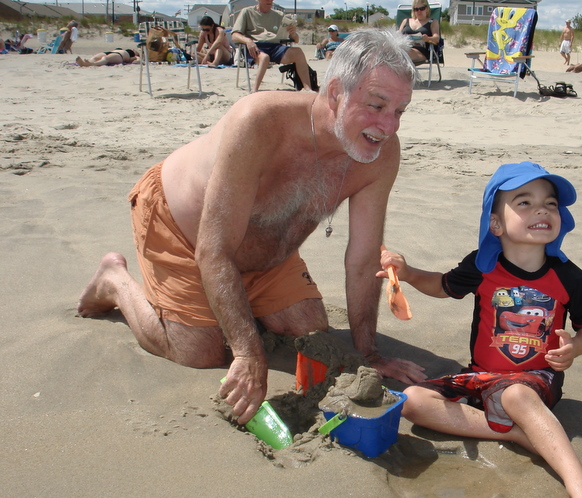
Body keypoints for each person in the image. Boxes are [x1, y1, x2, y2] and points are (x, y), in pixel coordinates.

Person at [77, 29, 426, 426]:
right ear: (335, 93)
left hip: (267, 249)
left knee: (310, 330)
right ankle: (114, 281)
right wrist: (247, 352)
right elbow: (213, 250)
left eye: (400, 111)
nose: (387, 126)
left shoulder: (380, 152)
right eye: (377, 105)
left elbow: (363, 261)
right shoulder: (259, 121)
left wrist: (369, 354)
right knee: (201, 351)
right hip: (183, 232)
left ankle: (236, 299)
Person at [378, 162, 582, 498]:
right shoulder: (482, 266)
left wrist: (574, 348)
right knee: (412, 401)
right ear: (495, 224)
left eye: (550, 203)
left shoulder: (570, 277)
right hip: (481, 377)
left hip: (535, 380)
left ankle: (580, 485)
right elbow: (441, 285)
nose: (542, 210)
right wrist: (406, 273)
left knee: (515, 395)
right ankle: (514, 433)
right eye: (525, 202)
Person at [231, 0, 312, 91]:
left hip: (275, 47)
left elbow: (296, 40)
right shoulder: (247, 12)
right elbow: (234, 35)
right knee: (264, 57)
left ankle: (308, 89)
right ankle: (254, 90)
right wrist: (247, 41)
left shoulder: (279, 15)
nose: (269, 1)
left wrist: (293, 33)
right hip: (255, 46)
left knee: (298, 52)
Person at [398, 0, 440, 66]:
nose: (419, 11)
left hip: (420, 52)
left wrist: (428, 38)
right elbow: (397, 36)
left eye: (422, 8)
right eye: (416, 9)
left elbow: (437, 38)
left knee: (402, 53)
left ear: (427, 8)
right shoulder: (405, 21)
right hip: (403, 48)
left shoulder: (432, 22)